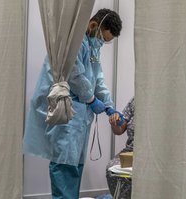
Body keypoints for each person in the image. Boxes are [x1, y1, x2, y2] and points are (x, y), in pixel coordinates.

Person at [23, 9, 123, 199]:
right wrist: (92, 100)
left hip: (81, 114)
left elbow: (97, 78)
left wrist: (109, 105)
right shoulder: (72, 43)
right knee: (64, 164)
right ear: (94, 25)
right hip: (67, 110)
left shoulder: (92, 47)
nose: (101, 42)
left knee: (75, 165)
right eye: (102, 38)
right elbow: (75, 75)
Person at [106, 97, 135, 199]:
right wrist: (115, 124)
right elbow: (119, 130)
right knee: (111, 169)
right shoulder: (135, 101)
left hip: (153, 153)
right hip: (131, 151)